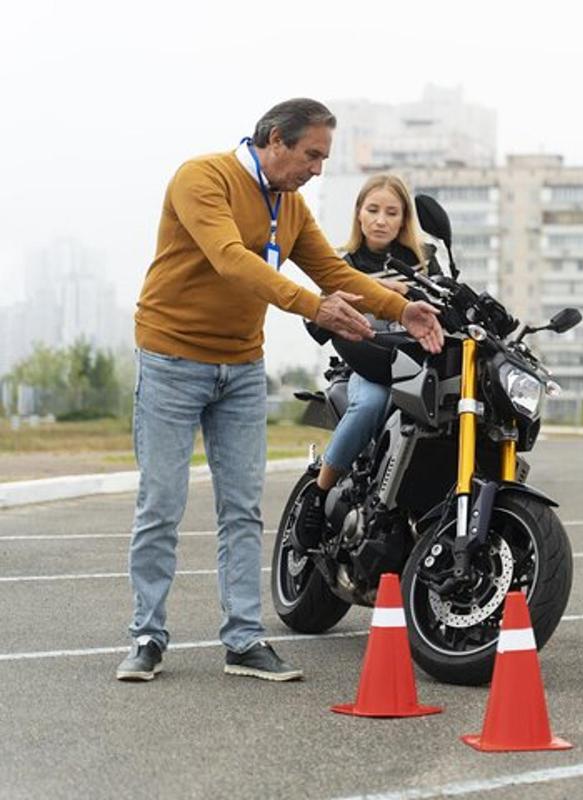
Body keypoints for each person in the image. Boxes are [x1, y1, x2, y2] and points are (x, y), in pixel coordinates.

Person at [118, 98, 444, 683]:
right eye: (311, 154)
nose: (317, 169)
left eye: (324, 157)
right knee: (161, 504)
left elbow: (336, 273)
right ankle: (147, 634)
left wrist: (403, 308)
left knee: (242, 509)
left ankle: (244, 641)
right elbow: (232, 261)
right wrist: (313, 306)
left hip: (240, 367)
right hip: (172, 358)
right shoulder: (203, 178)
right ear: (274, 139)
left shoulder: (289, 205)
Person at [295, 174, 430, 545]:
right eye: (373, 210)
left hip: (415, 368)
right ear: (359, 215)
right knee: (373, 403)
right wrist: (369, 290)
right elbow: (318, 324)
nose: (381, 220)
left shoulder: (423, 265)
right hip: (366, 366)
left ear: (404, 220)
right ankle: (318, 494)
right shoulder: (343, 265)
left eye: (392, 212)